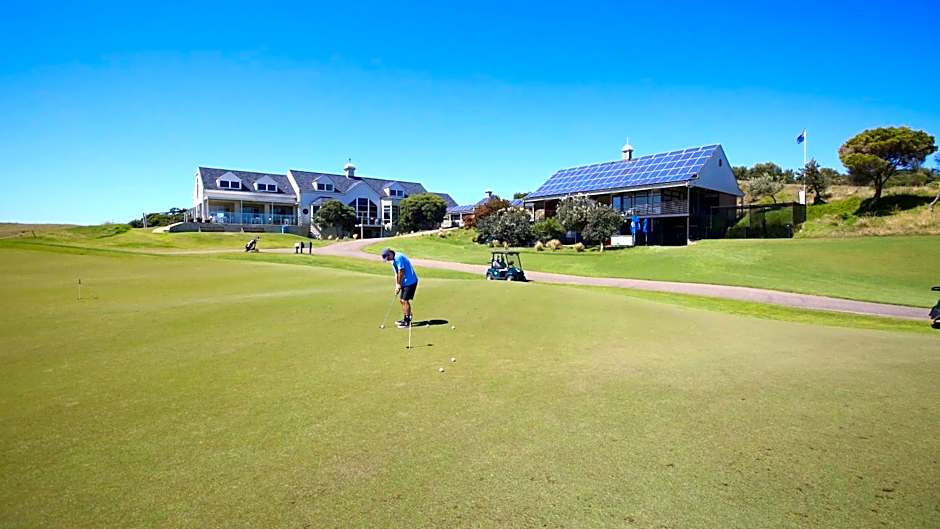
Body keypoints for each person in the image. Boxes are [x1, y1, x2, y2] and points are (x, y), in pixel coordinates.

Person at [381, 248, 418, 328]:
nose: (387, 260)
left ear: (389, 254)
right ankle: (406, 317)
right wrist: (397, 285)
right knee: (402, 301)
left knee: (404, 300)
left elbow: (401, 271)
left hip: (410, 281)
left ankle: (407, 321)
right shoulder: (393, 260)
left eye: (387, 258)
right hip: (404, 282)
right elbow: (396, 273)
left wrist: (399, 284)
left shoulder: (398, 257)